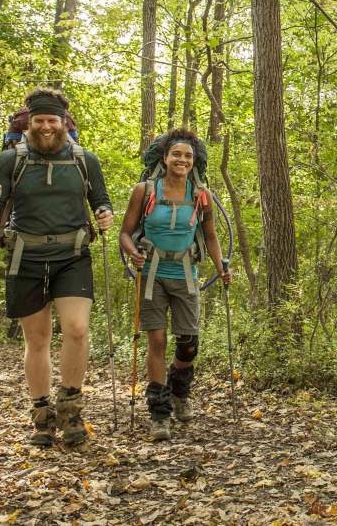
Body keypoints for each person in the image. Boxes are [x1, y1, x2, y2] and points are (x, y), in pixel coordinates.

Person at [0, 87, 113, 447]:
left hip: (73, 256)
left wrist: (105, 215)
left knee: (77, 329)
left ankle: (70, 410)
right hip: (26, 256)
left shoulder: (86, 160)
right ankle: (41, 416)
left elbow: (101, 201)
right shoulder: (9, 161)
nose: (47, 126)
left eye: (53, 120)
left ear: (64, 123)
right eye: (40, 120)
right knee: (37, 339)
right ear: (30, 123)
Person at [119, 128, 231, 440]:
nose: (182, 159)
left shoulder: (201, 195)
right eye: (176, 154)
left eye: (188, 156)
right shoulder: (144, 190)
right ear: (165, 157)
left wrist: (222, 267)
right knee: (156, 341)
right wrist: (133, 254)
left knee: (188, 345)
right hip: (152, 275)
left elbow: (210, 236)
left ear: (193, 162)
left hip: (186, 276)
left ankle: (180, 392)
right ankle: (159, 413)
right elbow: (125, 233)